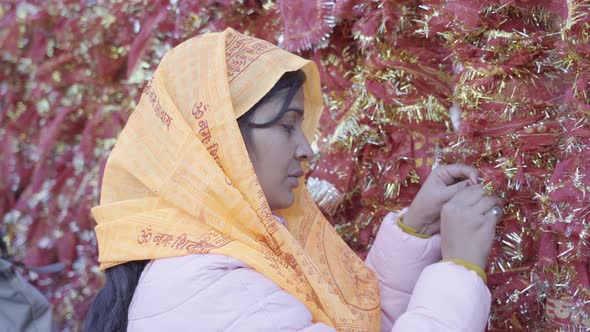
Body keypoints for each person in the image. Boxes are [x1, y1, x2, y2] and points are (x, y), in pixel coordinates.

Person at [85, 28, 502, 332]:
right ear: (221, 142)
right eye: (287, 126)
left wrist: (415, 229)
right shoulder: (216, 289)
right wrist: (459, 268)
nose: (306, 148)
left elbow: (356, 323)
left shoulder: (218, 262)